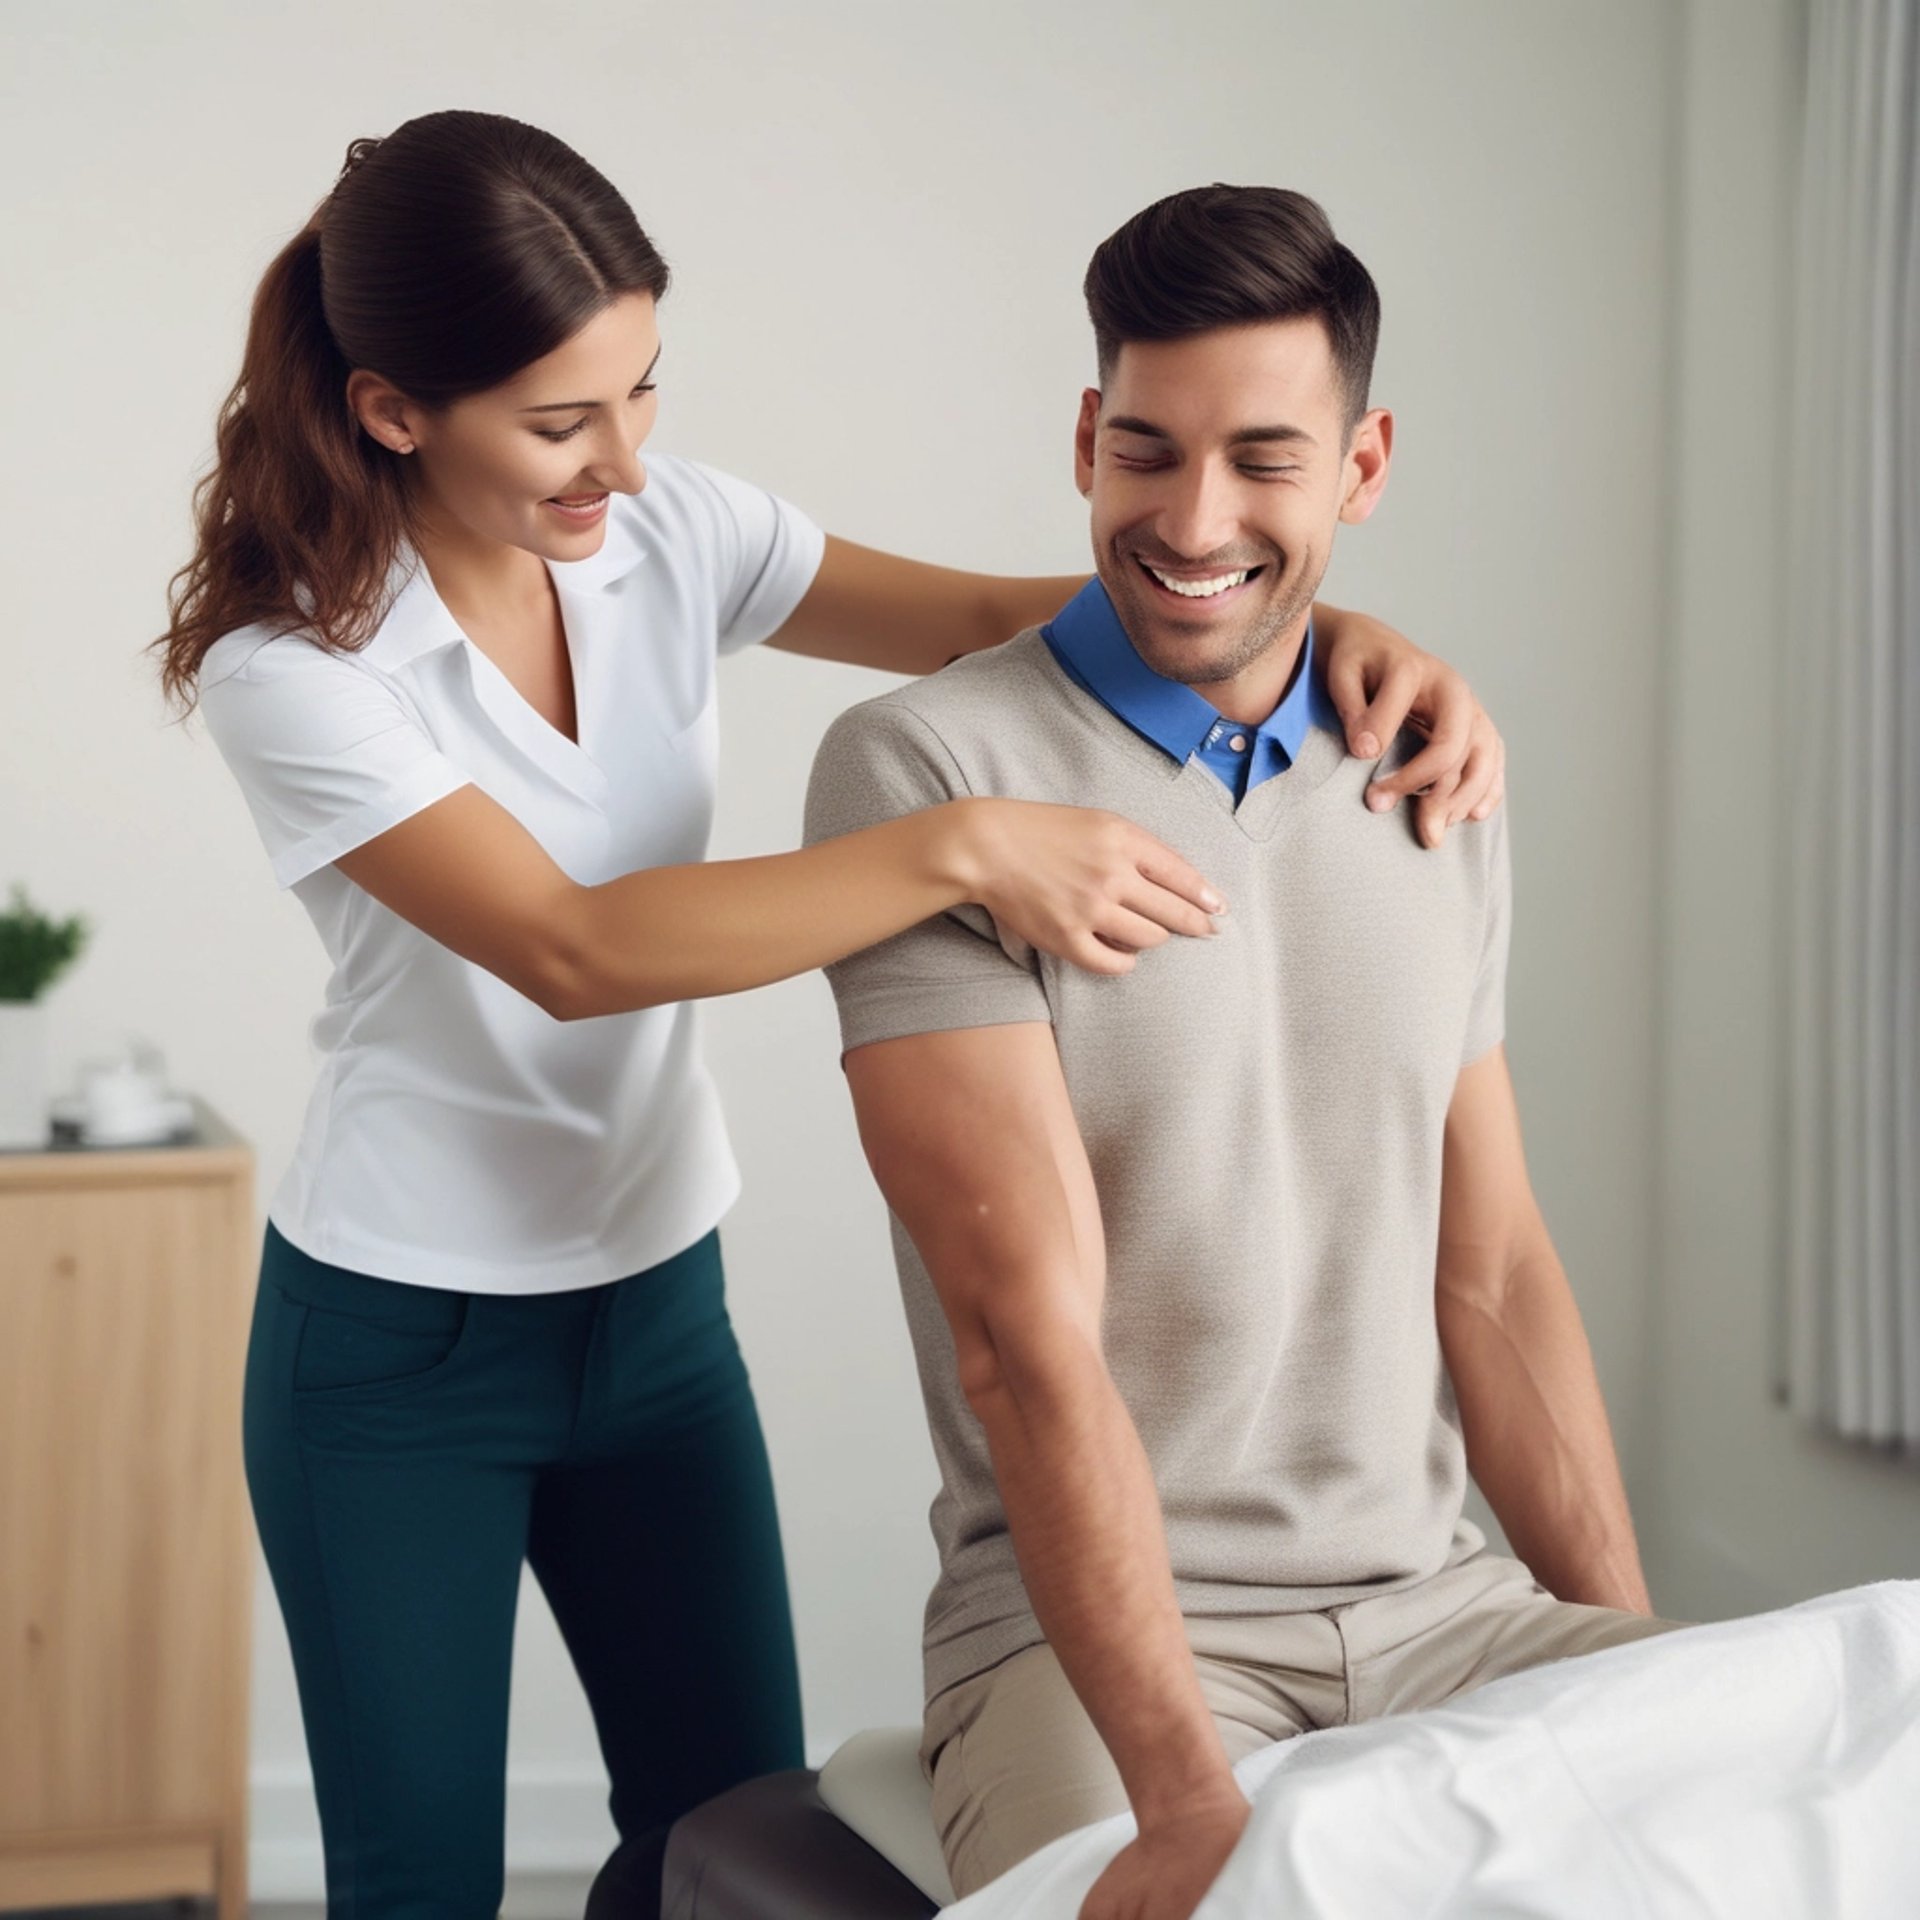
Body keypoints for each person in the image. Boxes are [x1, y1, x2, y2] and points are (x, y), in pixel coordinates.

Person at [154, 112, 1504, 1920]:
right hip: (398, 1353)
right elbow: (575, 945)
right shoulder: (297, 668)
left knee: (722, 1845)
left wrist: (1329, 632)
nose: (625, 464)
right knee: (416, 1884)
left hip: (652, 1314)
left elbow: (993, 616)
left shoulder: (666, 532)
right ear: (397, 408)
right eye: (563, 422)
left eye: (642, 392)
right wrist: (955, 844)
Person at [804, 183, 1687, 1920]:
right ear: (1085, 440)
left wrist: (1629, 1672)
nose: (1194, 515)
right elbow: (1019, 1344)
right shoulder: (926, 771)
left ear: (1361, 469)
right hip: (1109, 1648)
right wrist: (1186, 1796)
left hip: (1447, 1606)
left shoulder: (1429, 768)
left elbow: (1492, 1276)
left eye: (1264, 460)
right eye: (1147, 451)